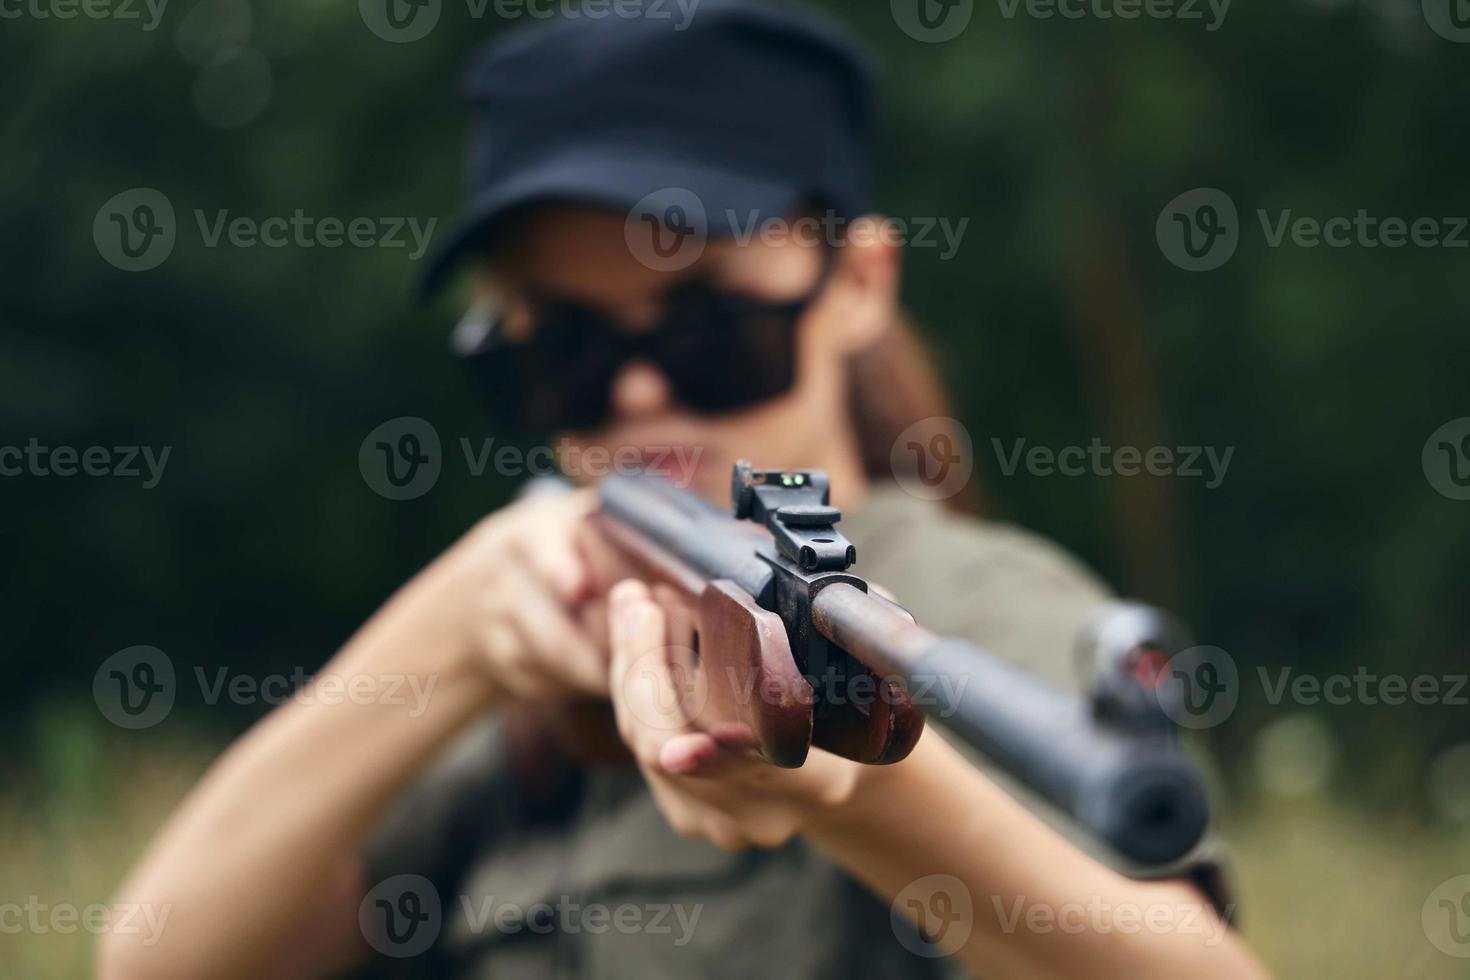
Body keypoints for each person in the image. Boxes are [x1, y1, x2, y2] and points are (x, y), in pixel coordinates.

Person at [100, 3, 1268, 978]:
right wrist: (452, 633)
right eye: (567, 351)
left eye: (713, 326)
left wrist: (863, 799)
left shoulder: (958, 601)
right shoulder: (531, 660)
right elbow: (158, 956)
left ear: (856, 280)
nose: (645, 390)